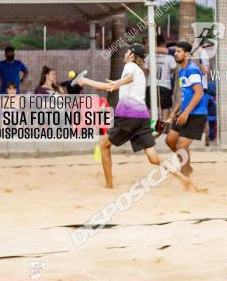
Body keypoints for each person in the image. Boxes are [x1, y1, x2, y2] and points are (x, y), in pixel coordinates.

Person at [75, 44, 198, 191]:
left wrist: (91, 81)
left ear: (132, 56)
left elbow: (128, 78)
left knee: (103, 145)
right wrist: (115, 83)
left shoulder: (130, 66)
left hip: (128, 115)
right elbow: (126, 80)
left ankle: (109, 185)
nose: (125, 53)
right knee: (153, 158)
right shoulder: (140, 70)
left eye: (127, 51)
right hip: (141, 116)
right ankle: (183, 178)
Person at [165, 42, 209, 178]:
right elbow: (185, 96)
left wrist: (186, 112)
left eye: (179, 51)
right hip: (184, 112)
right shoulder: (182, 70)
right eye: (175, 51)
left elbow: (199, 93)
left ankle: (186, 177)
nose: (175, 54)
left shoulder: (192, 70)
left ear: (187, 54)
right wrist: (174, 111)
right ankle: (187, 166)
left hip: (196, 114)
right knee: (170, 141)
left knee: (181, 145)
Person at [151, 35, 176, 121]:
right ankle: (162, 129)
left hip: (155, 84)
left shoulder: (150, 53)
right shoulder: (170, 55)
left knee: (155, 108)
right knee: (164, 109)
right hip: (165, 85)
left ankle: (157, 128)